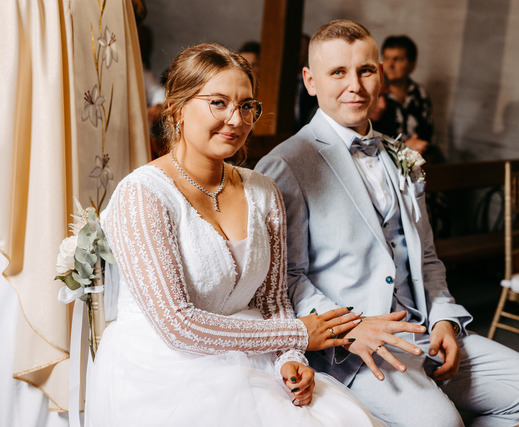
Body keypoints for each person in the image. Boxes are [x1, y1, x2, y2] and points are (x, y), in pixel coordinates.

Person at [255, 20, 519, 426]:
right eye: (338, 72)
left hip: (424, 329)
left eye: (365, 70)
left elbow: (426, 254)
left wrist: (444, 317)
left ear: (380, 74)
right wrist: (352, 328)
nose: (355, 86)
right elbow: (284, 279)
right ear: (310, 81)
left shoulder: (398, 155)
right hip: (358, 347)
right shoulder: (286, 164)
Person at [85, 42, 384, 427]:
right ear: (177, 109)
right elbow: (178, 326)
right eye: (219, 103)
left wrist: (289, 359)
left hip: (253, 357)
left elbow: (273, 299)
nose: (236, 119)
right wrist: (296, 335)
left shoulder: (263, 191)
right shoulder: (142, 195)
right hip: (163, 368)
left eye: (246, 106)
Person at [372, 35, 445, 166]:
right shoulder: (376, 92)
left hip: (418, 159)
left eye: (397, 59)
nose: (390, 65)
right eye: (386, 58)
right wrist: (404, 147)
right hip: (383, 162)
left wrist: (418, 147)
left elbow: (428, 134)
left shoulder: (420, 92)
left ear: (412, 65)